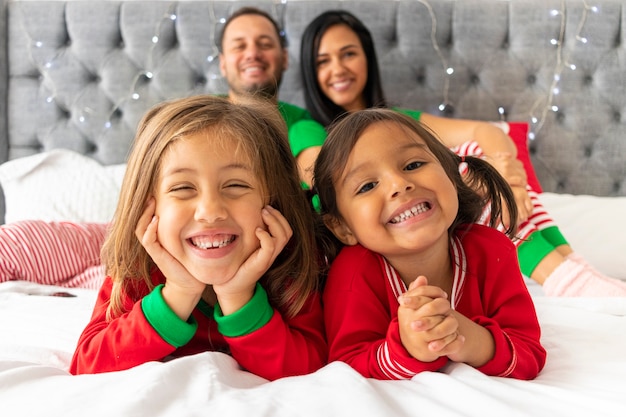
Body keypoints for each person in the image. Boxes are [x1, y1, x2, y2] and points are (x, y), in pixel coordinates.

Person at [299, 9, 626, 297]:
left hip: (442, 219)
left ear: (366, 57)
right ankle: (568, 277)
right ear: (310, 73)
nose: (338, 69)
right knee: (468, 171)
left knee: (474, 159)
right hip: (388, 236)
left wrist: (508, 178)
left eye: (348, 54)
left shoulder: (398, 124)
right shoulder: (313, 140)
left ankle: (572, 269)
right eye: (323, 61)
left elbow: (486, 132)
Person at [69, 95, 327, 381]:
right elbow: (87, 365)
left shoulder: (292, 264)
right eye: (182, 188)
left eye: (236, 185)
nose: (210, 212)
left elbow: (307, 368)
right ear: (148, 206)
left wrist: (238, 296)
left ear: (272, 201)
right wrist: (178, 293)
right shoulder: (139, 268)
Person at [314, 108, 547, 380]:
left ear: (451, 175)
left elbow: (528, 353)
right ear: (341, 227)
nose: (399, 185)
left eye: (413, 165)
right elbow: (347, 366)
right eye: (367, 186)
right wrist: (407, 346)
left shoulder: (493, 251)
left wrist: (470, 340)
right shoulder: (354, 273)